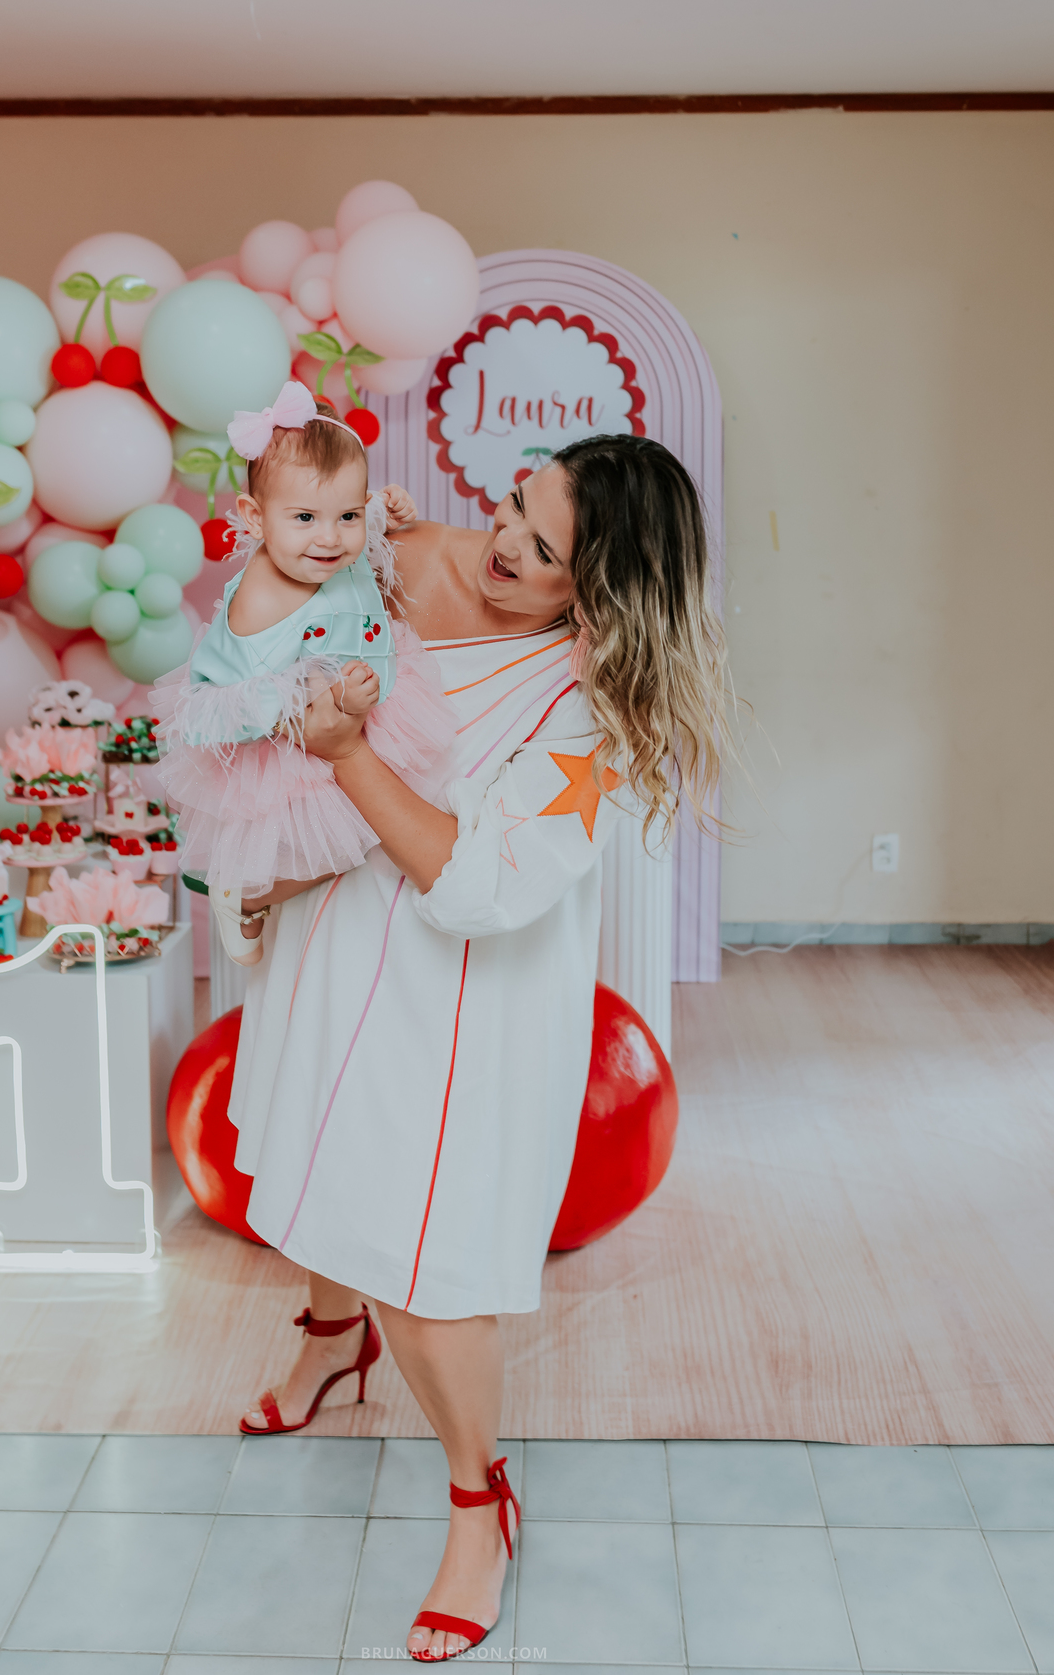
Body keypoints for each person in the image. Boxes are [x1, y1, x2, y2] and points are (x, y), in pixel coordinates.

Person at [228, 432, 730, 1661]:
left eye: (543, 549)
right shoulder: (412, 553)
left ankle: (476, 1502)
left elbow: (484, 885)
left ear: (600, 595)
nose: (504, 541)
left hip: (451, 1001)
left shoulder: (594, 721)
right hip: (338, 937)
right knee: (313, 1155)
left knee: (425, 1256)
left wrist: (341, 758)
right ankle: (328, 1338)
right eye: (514, 504)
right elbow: (293, 601)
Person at [154, 382, 454, 963]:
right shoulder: (261, 603)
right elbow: (249, 703)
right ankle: (242, 899)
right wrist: (334, 698)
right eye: (306, 518)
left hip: (361, 676)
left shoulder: (328, 538)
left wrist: (387, 510)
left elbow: (348, 514)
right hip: (284, 732)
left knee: (408, 803)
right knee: (334, 844)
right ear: (254, 518)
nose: (331, 537)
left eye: (347, 514)